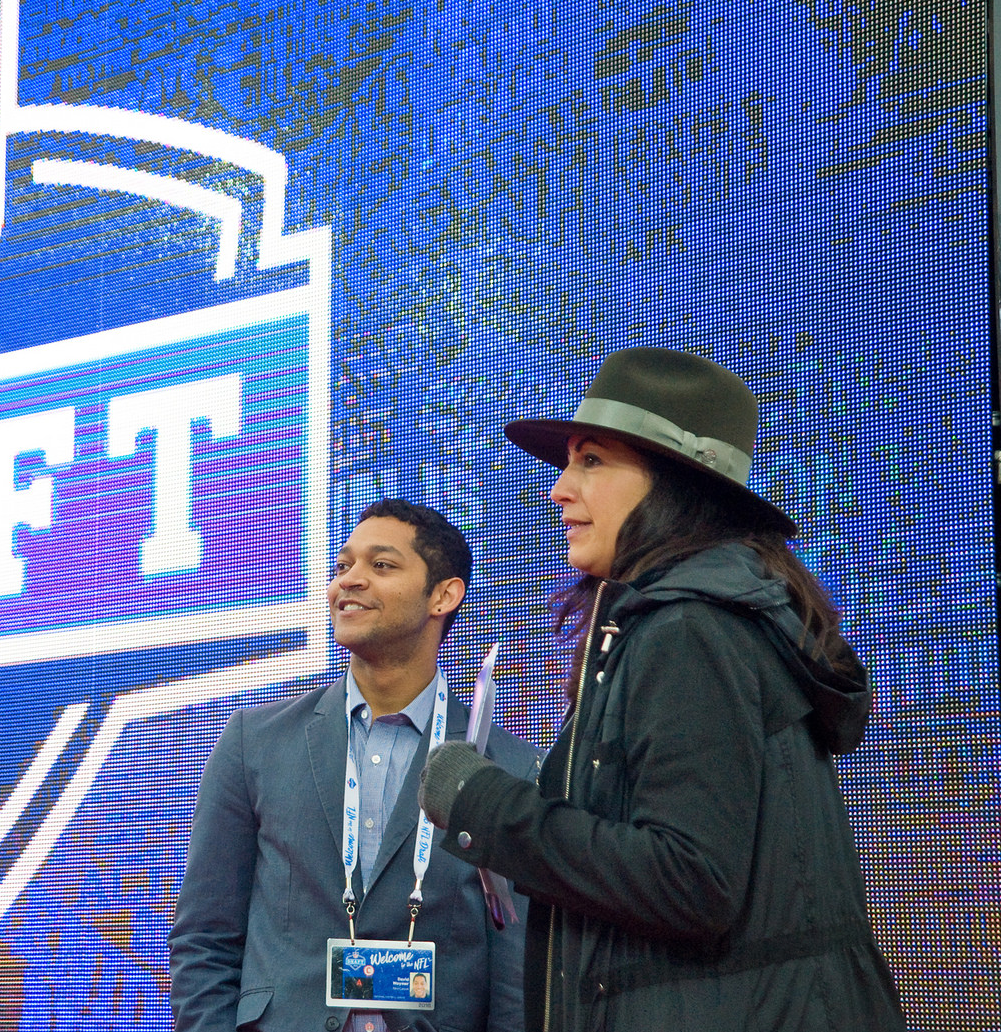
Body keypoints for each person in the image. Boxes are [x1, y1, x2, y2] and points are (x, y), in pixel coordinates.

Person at [418, 347, 907, 1031]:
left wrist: (486, 807)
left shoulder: (690, 628)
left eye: (591, 461)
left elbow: (691, 879)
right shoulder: (685, 618)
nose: (559, 488)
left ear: (673, 485)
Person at [170, 499, 539, 1032]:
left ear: (443, 595)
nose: (350, 581)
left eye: (381, 566)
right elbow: (205, 938)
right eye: (343, 567)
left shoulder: (504, 764)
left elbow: (514, 968)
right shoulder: (255, 741)